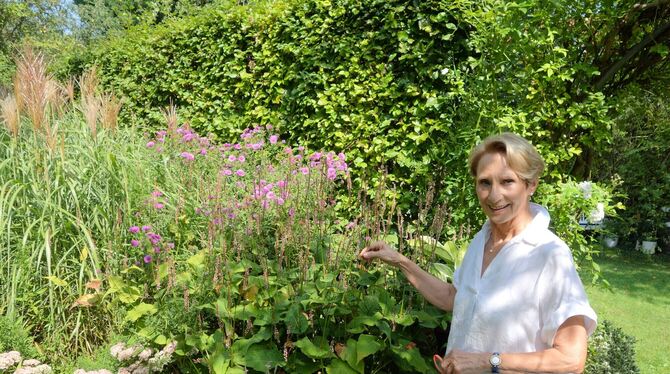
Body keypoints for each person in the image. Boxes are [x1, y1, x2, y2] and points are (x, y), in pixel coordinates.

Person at [359, 133, 597, 373]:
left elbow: (571, 360)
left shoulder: (549, 254)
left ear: (531, 184)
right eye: (485, 183)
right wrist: (399, 261)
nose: (494, 196)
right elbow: (453, 296)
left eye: (507, 182)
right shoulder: (483, 239)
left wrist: (487, 361)